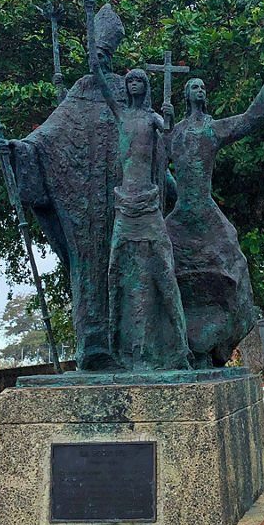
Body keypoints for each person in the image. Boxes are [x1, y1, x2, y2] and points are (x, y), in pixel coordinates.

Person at [3, 4, 125, 370]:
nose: (97, 61)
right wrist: (20, 150)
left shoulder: (125, 89)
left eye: (103, 54)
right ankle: (94, 347)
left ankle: (134, 346)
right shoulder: (80, 91)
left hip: (124, 201)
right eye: (93, 54)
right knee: (88, 270)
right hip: (85, 207)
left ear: (111, 55)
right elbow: (48, 136)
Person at [166, 69, 264, 366]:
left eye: (203, 87)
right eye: (195, 87)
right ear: (186, 95)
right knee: (158, 260)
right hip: (181, 212)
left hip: (206, 210)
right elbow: (149, 161)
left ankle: (226, 334)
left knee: (235, 261)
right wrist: (174, 189)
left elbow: (246, 120)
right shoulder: (173, 132)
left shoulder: (211, 128)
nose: (200, 91)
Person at [98, 62, 191, 370]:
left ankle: (178, 347)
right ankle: (122, 349)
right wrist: (89, 18)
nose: (134, 84)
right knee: (116, 270)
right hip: (124, 205)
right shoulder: (120, 114)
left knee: (164, 266)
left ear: (146, 87)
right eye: (130, 81)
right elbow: (98, 76)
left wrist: (170, 114)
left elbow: (168, 134)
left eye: (139, 80)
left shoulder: (152, 118)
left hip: (149, 205)